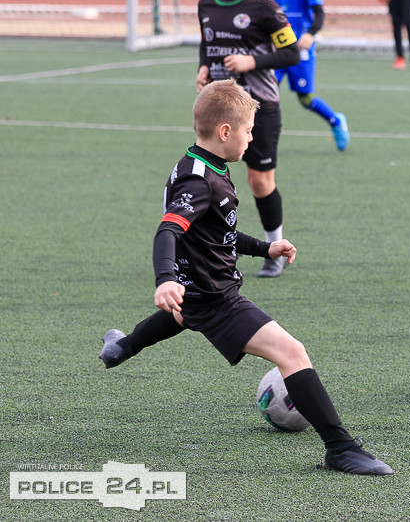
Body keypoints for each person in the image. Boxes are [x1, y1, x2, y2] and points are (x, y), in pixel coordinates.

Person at [98, 80, 393, 475]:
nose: (252, 137)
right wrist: (165, 278)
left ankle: (122, 346)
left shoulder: (201, 164)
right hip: (216, 298)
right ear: (225, 131)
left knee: (185, 312)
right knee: (293, 353)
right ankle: (340, 447)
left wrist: (264, 248)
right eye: (248, 130)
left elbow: (217, 233)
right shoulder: (198, 181)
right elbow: (168, 230)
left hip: (200, 290)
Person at [196, 0, 298, 278]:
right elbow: (206, 44)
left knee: (259, 181)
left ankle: (276, 249)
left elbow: (292, 53)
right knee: (207, 179)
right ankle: (208, 250)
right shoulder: (206, 5)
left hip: (259, 108)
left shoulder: (264, 7)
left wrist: (252, 63)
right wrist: (204, 68)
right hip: (217, 108)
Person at [270, 0, 350, 152]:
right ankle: (256, 138)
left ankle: (335, 120)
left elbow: (319, 12)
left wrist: (309, 34)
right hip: (279, 49)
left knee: (305, 99)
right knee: (265, 92)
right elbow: (271, 14)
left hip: (301, 51)